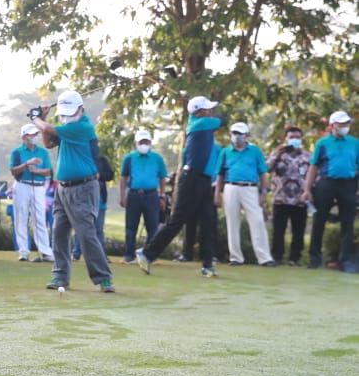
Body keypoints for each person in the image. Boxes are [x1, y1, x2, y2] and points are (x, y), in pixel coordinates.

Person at [31, 90, 115, 292]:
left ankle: (103, 278)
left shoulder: (82, 127)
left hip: (83, 188)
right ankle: (60, 276)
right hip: (63, 188)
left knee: (86, 234)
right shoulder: (68, 127)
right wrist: (42, 118)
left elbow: (48, 128)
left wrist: (36, 119)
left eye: (71, 111)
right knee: (59, 232)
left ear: (81, 109)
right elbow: (48, 141)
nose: (67, 115)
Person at [137, 95, 225, 278]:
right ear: (198, 112)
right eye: (207, 109)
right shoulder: (200, 124)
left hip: (204, 180)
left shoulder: (202, 123)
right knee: (177, 221)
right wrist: (212, 114)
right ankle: (147, 254)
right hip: (191, 179)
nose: (210, 111)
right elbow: (222, 120)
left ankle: (207, 265)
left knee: (209, 222)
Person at [303, 111, 359, 273]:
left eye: (347, 124)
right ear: (333, 125)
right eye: (341, 124)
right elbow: (313, 167)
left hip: (348, 184)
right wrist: (307, 189)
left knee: (347, 223)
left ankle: (346, 261)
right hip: (326, 183)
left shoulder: (355, 143)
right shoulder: (323, 143)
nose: (345, 127)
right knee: (319, 221)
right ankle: (315, 259)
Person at [215, 122, 273, 266]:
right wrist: (217, 194)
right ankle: (235, 257)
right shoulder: (225, 152)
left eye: (240, 134)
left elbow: (262, 173)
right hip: (231, 187)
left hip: (250, 188)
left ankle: (264, 258)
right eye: (234, 133)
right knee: (232, 222)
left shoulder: (255, 151)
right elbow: (220, 175)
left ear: (246, 135)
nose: (237, 136)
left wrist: (263, 192)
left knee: (257, 221)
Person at [119, 130, 168, 264]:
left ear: (150, 143)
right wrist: (122, 196)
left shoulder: (157, 158)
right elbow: (123, 177)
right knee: (131, 227)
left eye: (146, 142)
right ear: (136, 143)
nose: (144, 144)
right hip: (134, 194)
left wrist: (162, 196)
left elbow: (162, 178)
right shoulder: (129, 158)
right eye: (141, 142)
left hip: (152, 195)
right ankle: (129, 256)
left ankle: (149, 255)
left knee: (152, 227)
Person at [266, 126, 311, 266]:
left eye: (298, 137)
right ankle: (277, 256)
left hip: (300, 198)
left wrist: (309, 192)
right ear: (286, 139)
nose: (295, 140)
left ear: (301, 139)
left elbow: (313, 175)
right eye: (292, 137)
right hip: (281, 197)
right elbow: (267, 168)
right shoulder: (278, 153)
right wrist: (276, 155)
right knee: (278, 230)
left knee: (298, 231)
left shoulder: (307, 155)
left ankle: (295, 258)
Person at [9, 123, 54, 262]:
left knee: (40, 219)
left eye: (36, 134)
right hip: (22, 185)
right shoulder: (17, 152)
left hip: (39, 187)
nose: (35, 136)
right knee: (21, 218)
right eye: (31, 134)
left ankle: (45, 251)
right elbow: (13, 171)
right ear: (24, 137)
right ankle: (23, 251)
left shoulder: (43, 152)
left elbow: (49, 171)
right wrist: (27, 164)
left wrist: (37, 171)